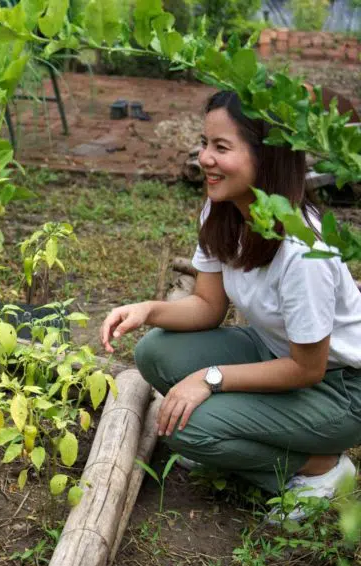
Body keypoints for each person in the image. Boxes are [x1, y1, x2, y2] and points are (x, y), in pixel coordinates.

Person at [101, 90, 361, 520]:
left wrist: (211, 377)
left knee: (189, 428)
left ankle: (322, 469)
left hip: (342, 390)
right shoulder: (223, 209)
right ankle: (245, 444)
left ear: (268, 159)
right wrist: (147, 309)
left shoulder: (302, 250)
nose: (205, 158)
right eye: (205, 143)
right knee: (155, 351)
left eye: (222, 147)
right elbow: (206, 305)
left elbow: (308, 369)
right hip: (277, 354)